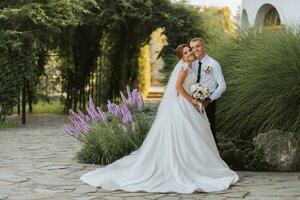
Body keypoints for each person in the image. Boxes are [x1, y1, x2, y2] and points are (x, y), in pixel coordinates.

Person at [80, 44, 239, 194]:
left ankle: (197, 165)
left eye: (190, 51)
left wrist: (199, 94)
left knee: (195, 133)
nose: (190, 53)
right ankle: (185, 166)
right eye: (186, 53)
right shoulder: (184, 68)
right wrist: (193, 100)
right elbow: (178, 88)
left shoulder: (191, 66)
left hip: (187, 104)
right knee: (188, 134)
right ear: (181, 58)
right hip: (182, 106)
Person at [190, 38, 226, 144]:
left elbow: (222, 85)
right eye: (192, 47)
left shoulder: (214, 64)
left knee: (209, 130)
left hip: (208, 102)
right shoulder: (194, 65)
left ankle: (215, 156)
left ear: (203, 47)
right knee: (196, 131)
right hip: (195, 102)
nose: (195, 49)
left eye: (198, 46)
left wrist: (209, 99)